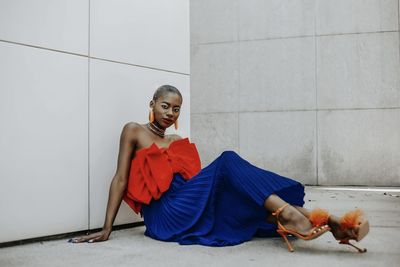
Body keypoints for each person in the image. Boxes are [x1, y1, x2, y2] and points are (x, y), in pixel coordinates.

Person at [69, 85, 369, 253]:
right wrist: (107, 228)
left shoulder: (175, 140)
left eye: (176, 109)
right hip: (165, 214)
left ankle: (334, 223)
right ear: (152, 103)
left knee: (240, 196)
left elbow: (195, 181)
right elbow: (120, 178)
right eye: (165, 106)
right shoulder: (133, 131)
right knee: (227, 160)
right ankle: (292, 216)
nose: (170, 113)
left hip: (185, 200)